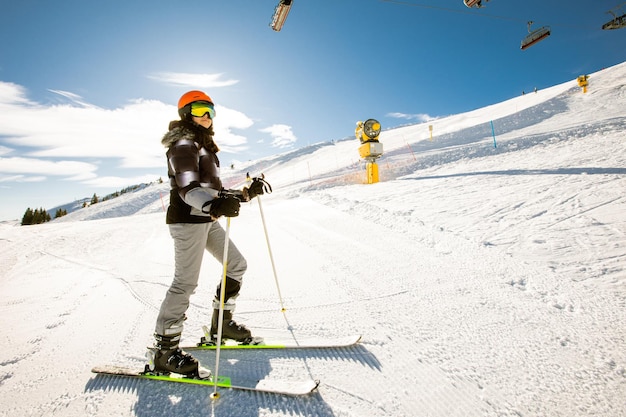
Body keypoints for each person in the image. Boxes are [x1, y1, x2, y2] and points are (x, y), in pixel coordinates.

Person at [149, 90, 268, 377]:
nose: (207, 116)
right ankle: (164, 352)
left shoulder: (204, 147)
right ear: (186, 113)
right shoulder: (183, 144)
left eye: (211, 111)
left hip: (205, 219)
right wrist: (214, 203)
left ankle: (221, 327)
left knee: (237, 264)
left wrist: (243, 194)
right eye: (201, 109)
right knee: (185, 283)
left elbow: (213, 192)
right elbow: (188, 188)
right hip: (188, 220)